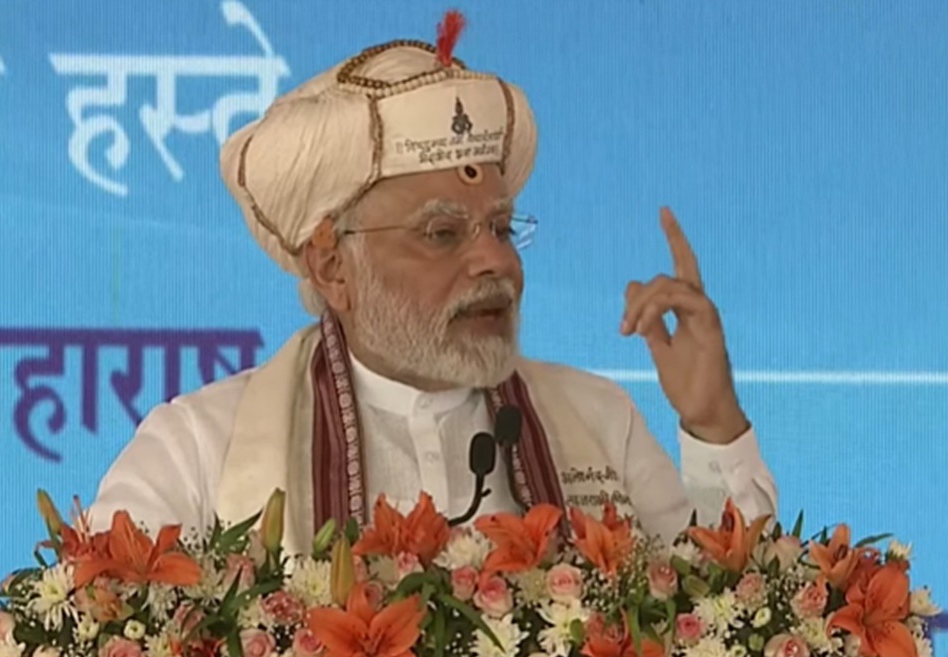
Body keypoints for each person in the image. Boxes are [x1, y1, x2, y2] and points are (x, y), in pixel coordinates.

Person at [88, 13, 777, 552]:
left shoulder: (598, 422)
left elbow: (725, 620)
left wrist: (714, 424)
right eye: (443, 233)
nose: (496, 264)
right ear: (333, 267)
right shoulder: (201, 448)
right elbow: (86, 629)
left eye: (502, 228)